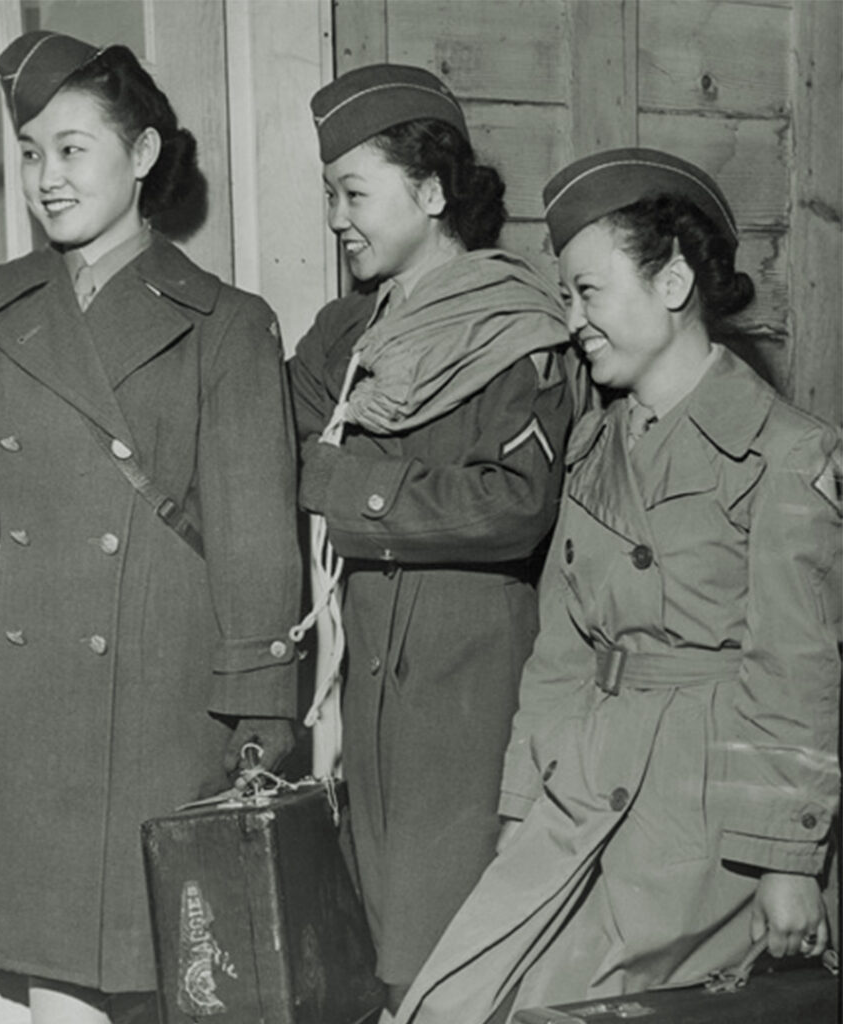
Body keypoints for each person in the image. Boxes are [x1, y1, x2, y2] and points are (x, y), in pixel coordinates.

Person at [0, 31, 302, 1024]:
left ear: (142, 155)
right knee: (56, 991)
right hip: (32, 710)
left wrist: (257, 712)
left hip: (167, 705)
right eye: (31, 151)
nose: (46, 175)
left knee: (169, 985)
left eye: (73, 148)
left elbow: (254, 537)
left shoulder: (225, 323)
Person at [394, 147, 842, 1024]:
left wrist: (787, 862)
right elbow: (560, 650)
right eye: (566, 296)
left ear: (673, 283)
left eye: (588, 291)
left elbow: (797, 676)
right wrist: (522, 808)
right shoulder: (596, 446)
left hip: (711, 814)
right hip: (586, 780)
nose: (573, 320)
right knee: (449, 1002)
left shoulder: (788, 453)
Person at [289, 64, 576, 1018]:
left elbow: (514, 505)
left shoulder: (516, 327)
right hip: (359, 684)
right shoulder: (344, 336)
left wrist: (348, 489)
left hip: (465, 689)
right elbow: (269, 436)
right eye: (332, 193)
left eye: (354, 192)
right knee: (369, 956)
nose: (337, 215)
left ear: (432, 191)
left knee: (450, 964)